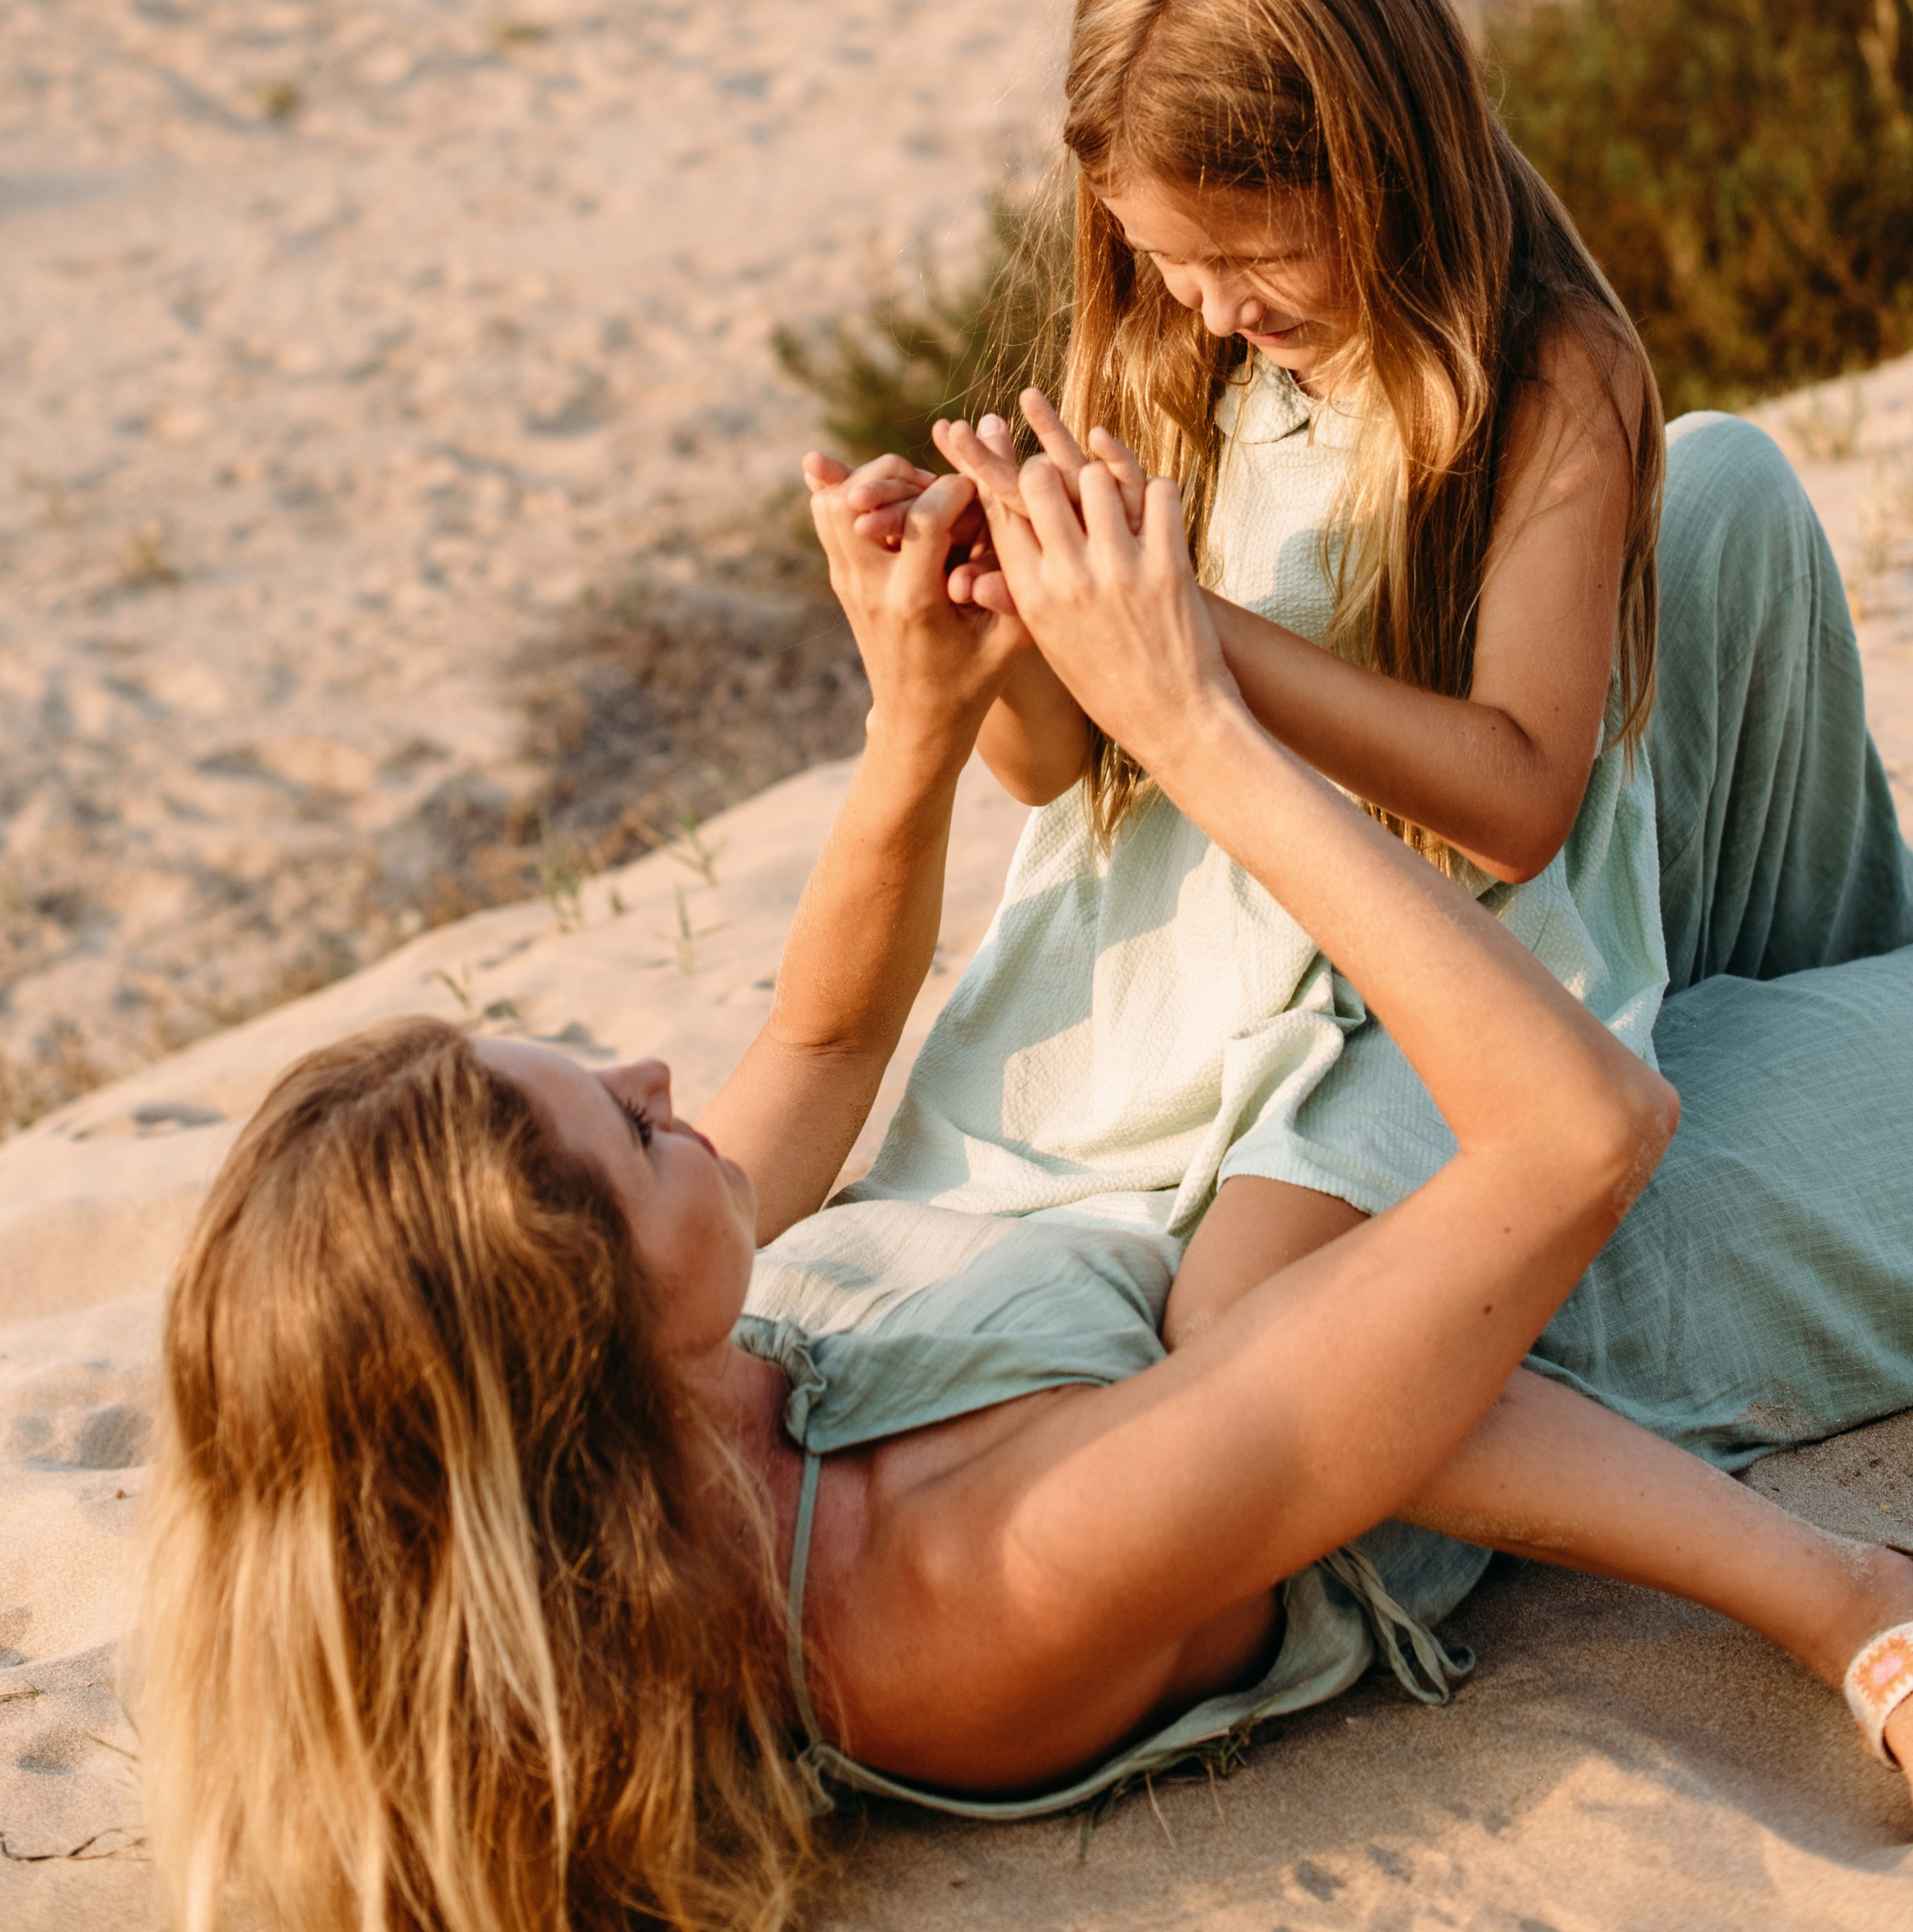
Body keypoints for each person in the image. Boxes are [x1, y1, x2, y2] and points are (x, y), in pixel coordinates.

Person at [144, 461, 1913, 1932]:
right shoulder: (952, 1592)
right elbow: (1569, 1136)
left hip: (1304, 1061)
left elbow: (825, 1033)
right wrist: (1193, 726)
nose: (653, 1079)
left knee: (1716, 508)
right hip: (1544, 1245)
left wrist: (912, 714)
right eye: (618, 1128)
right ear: (570, 1346)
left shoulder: (696, 1377)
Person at [809, 0, 1677, 1339]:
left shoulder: (1542, 378)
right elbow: (1052, 771)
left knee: (1242, 1338)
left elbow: (1521, 800)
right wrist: (998, 636)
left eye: (1254, 253)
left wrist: (1182, 635)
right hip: (1170, 974)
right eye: (1165, 256)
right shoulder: (1166, 352)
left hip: (1423, 982)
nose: (1211, 302)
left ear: (1385, 168)